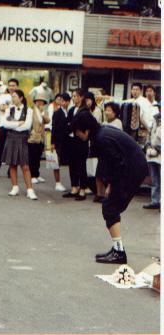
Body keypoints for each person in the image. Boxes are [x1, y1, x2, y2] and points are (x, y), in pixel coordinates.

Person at [71, 111, 147, 264]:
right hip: (134, 166)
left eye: (78, 132)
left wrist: (111, 184)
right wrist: (110, 183)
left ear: (86, 130)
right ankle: (117, 249)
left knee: (110, 207)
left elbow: (118, 163)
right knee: (111, 206)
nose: (78, 135)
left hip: (132, 169)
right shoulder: (101, 132)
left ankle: (119, 253)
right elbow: (113, 161)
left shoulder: (101, 138)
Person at [2, 90, 37, 200]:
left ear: (21, 98)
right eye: (12, 97)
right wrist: (18, 123)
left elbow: (27, 126)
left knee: (25, 165)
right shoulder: (9, 109)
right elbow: (4, 124)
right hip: (11, 138)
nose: (13, 99)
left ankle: (30, 190)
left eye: (15, 96)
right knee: (12, 164)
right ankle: (15, 187)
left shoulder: (29, 110)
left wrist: (13, 125)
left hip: (22, 138)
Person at [63, 89, 89, 201]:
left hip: (81, 141)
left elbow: (88, 126)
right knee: (72, 165)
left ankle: (83, 189)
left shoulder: (85, 111)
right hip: (71, 140)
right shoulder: (72, 110)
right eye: (72, 96)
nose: (73, 98)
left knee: (81, 166)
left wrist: (82, 134)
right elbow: (67, 123)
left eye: (75, 96)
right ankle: (74, 187)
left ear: (81, 97)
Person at [28, 96, 50, 184]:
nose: (40, 103)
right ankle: (32, 175)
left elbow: (48, 121)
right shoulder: (31, 111)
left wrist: (42, 113)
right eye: (38, 101)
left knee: (38, 157)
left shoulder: (44, 111)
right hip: (33, 137)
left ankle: (37, 174)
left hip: (41, 137)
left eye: (42, 102)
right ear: (35, 102)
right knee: (32, 157)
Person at [49, 93, 68, 192]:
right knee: (56, 161)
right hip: (58, 140)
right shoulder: (57, 112)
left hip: (68, 141)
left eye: (64, 100)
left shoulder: (71, 111)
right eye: (61, 100)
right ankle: (58, 182)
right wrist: (52, 142)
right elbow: (54, 127)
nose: (62, 102)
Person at [143, 103, 161, 210]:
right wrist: (148, 146)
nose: (160, 109)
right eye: (159, 107)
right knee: (155, 180)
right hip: (152, 154)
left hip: (160, 153)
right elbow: (149, 135)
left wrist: (158, 150)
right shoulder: (155, 119)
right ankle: (155, 201)